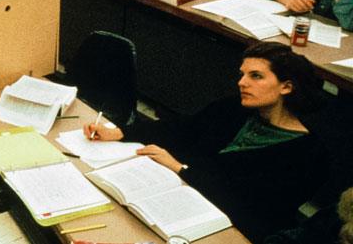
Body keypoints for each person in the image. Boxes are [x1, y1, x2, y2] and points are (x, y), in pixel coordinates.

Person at [83, 41, 331, 243]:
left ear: (286, 87)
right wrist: (122, 132)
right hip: (183, 198)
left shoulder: (310, 153)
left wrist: (182, 169)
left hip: (230, 228)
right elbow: (182, 129)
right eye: (242, 74)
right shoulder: (235, 108)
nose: (242, 82)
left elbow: (253, 206)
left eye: (256, 76)